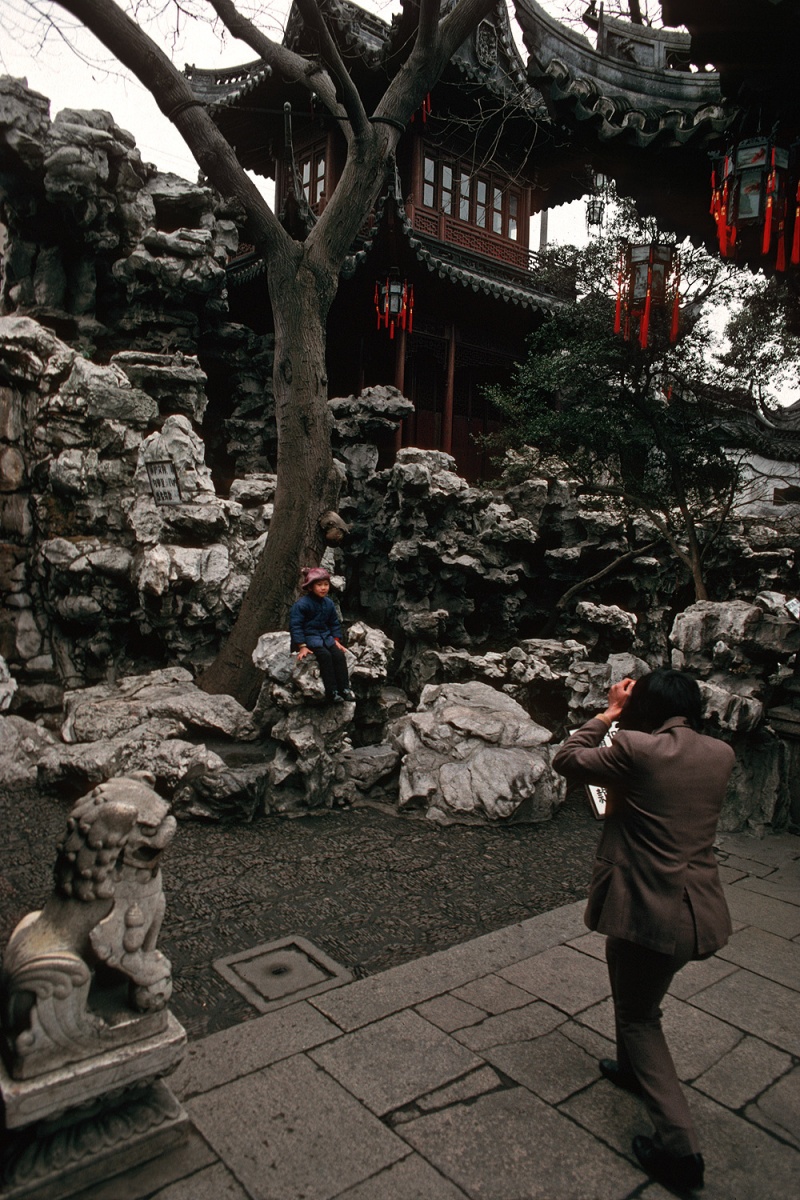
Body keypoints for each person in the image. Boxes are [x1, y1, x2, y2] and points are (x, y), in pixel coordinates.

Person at [552, 669, 735, 1194]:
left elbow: (566, 760)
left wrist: (609, 713)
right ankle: (631, 1072)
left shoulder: (636, 748)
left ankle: (682, 1151)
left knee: (639, 1017)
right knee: (634, 988)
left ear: (645, 709)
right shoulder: (719, 754)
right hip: (697, 907)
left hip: (647, 910)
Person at [289, 567, 354, 704]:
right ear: (311, 587)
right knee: (325, 656)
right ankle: (332, 691)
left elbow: (334, 623)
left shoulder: (328, 603)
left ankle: (345, 689)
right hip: (310, 638)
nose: (323, 588)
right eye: (319, 585)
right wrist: (302, 646)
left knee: (338, 655)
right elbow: (296, 626)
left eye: (326, 584)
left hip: (326, 637)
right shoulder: (301, 605)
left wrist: (336, 640)